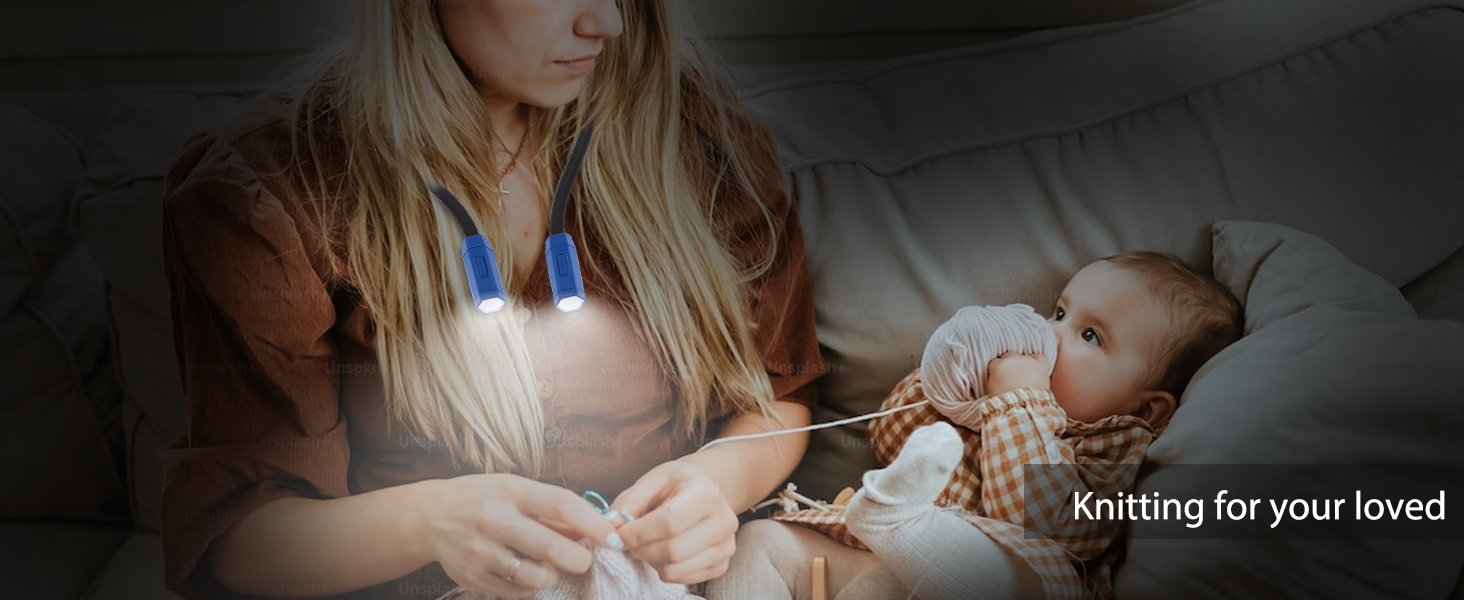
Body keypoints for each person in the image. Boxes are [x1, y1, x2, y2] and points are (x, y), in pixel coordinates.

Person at [157, 1, 826, 599]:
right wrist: (432, 522)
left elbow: (778, 390)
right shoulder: (269, 189)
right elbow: (241, 541)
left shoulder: (692, 131)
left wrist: (719, 480)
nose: (607, 23)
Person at [707, 251, 1242, 600]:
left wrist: (1019, 402)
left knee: (1032, 583)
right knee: (758, 542)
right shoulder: (987, 405)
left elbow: (1044, 523)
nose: (1053, 336)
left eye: (1090, 337)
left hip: (997, 583)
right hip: (878, 568)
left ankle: (898, 523)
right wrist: (952, 378)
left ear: (1149, 409)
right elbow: (889, 436)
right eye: (1059, 313)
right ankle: (894, 525)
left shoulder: (1118, 444)